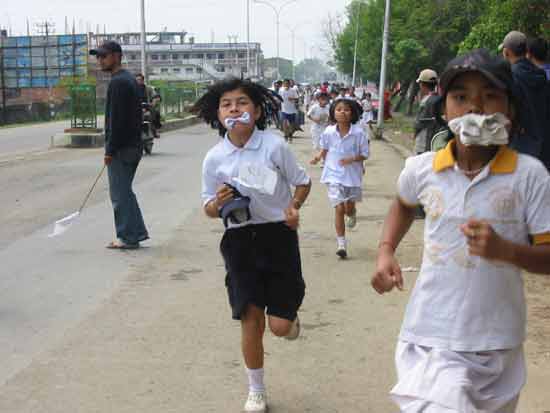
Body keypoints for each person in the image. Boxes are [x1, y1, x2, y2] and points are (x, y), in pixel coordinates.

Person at [371, 49, 550, 412]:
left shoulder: (529, 176)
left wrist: (507, 251)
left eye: (490, 96)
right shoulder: (421, 169)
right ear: (443, 110)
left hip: (497, 341)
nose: (475, 107)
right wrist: (386, 250)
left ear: (510, 109)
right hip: (431, 336)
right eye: (461, 97)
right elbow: (403, 204)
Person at [193, 77, 311, 413]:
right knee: (250, 317)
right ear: (218, 114)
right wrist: (217, 203)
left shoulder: (274, 147)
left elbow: (302, 182)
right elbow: (207, 208)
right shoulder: (214, 158)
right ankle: (256, 390)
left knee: (279, 327)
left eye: (242, 103)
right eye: (227, 104)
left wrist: (293, 207)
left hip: (278, 237)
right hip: (239, 240)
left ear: (257, 111)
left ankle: (289, 319)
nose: (234, 109)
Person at [90, 41, 149, 249]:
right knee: (125, 191)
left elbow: (116, 121)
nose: (100, 60)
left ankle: (128, 237)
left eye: (103, 56)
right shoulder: (127, 79)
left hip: (123, 148)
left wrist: (109, 150)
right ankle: (136, 232)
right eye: (98, 57)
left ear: (116, 56)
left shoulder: (119, 82)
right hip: (133, 145)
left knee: (119, 194)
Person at [310, 98, 369, 259]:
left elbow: (365, 154)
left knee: (348, 208)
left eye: (346, 109)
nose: (342, 112)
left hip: (352, 176)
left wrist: (351, 159)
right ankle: (341, 244)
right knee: (339, 208)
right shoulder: (329, 131)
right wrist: (317, 157)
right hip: (333, 174)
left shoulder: (358, 133)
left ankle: (353, 211)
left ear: (352, 114)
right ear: (333, 113)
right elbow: (325, 148)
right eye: (338, 109)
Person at [500, 30, 550, 168]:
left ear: (507, 52)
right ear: (526, 50)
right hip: (545, 143)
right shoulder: (540, 74)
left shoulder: (510, 77)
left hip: (523, 148)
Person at [413, 69, 442, 155]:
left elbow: (419, 123)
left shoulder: (425, 101)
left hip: (424, 141)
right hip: (437, 141)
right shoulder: (440, 99)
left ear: (422, 84)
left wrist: (414, 133)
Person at [307, 92, 330, 157]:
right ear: (318, 100)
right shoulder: (314, 107)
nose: (324, 101)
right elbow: (308, 115)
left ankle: (324, 159)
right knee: (316, 145)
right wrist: (315, 120)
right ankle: (322, 155)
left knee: (324, 144)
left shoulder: (328, 107)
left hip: (325, 128)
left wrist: (329, 122)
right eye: (322, 99)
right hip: (315, 128)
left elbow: (331, 117)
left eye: (326, 99)